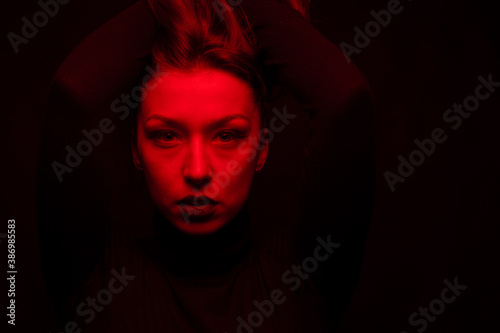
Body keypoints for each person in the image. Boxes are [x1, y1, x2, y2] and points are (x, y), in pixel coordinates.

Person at [36, 0, 375, 331]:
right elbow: (72, 98)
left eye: (226, 136)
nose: (197, 171)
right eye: (166, 136)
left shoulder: (307, 279)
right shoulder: (93, 279)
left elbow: (345, 101)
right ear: (135, 149)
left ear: (261, 148)